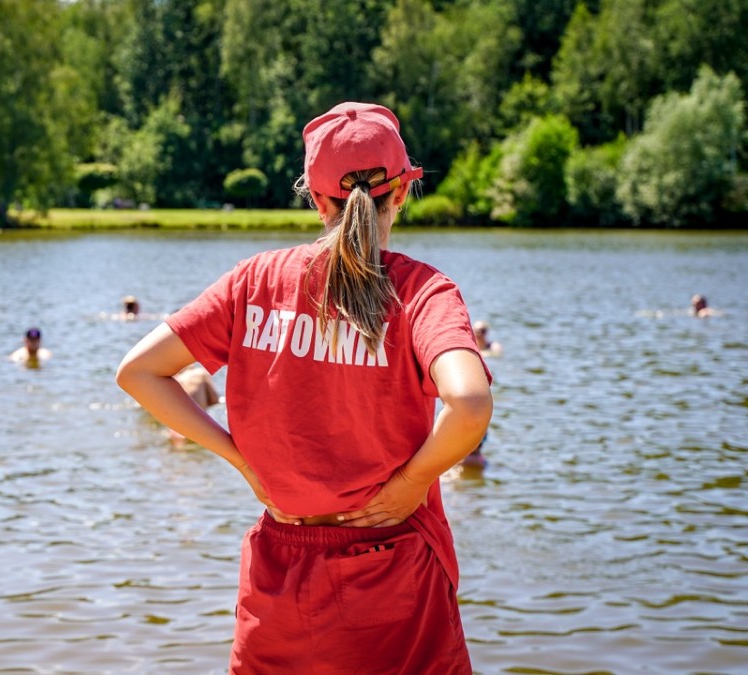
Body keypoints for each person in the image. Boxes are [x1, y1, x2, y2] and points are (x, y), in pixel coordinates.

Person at [117, 102, 492, 673]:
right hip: (392, 561)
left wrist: (240, 460)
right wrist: (413, 480)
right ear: (401, 195)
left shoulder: (254, 282)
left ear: (317, 201)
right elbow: (468, 403)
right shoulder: (421, 291)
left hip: (280, 577)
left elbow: (138, 372)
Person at [167, 363, 220, 444]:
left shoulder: (172, 380)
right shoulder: (201, 374)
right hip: (200, 424)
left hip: (177, 428)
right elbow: (214, 400)